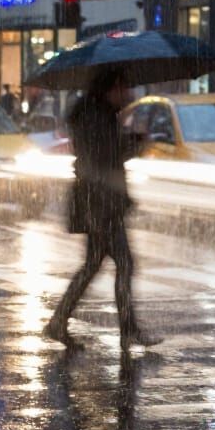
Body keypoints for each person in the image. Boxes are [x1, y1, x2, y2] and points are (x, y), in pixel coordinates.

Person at [44, 64, 159, 353]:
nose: (128, 94)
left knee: (94, 265)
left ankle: (59, 322)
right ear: (111, 89)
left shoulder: (96, 114)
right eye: (124, 88)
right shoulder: (97, 117)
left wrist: (130, 139)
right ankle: (128, 329)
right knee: (123, 263)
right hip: (101, 204)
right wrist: (136, 142)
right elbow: (107, 156)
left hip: (98, 202)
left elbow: (105, 153)